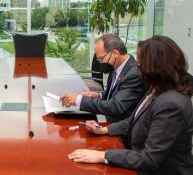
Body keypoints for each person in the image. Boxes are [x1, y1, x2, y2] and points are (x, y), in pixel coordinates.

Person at [68, 35, 193, 175]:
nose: (137, 68)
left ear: (156, 67)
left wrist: (103, 156)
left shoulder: (172, 104)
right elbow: (135, 120)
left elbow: (150, 159)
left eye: (141, 64)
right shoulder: (157, 89)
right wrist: (104, 130)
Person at [61, 33, 147, 122]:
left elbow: (116, 106)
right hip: (108, 121)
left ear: (115, 53)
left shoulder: (134, 75)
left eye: (101, 58)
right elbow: (117, 91)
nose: (100, 63)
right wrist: (99, 95)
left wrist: (79, 100)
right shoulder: (117, 66)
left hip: (120, 129)